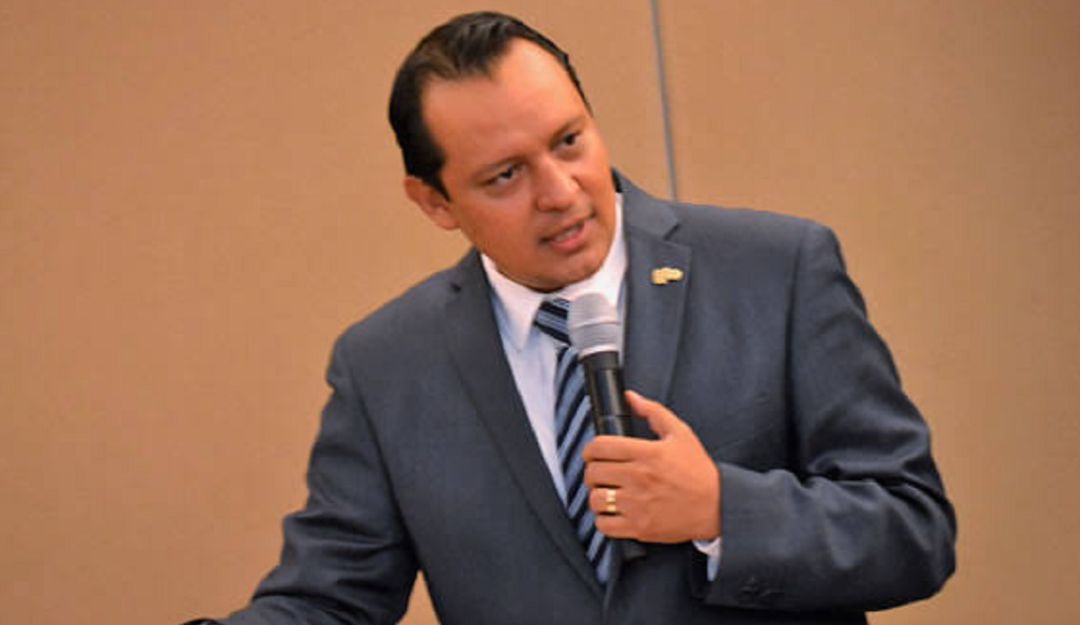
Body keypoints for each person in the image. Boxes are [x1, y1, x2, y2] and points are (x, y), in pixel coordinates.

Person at [187, 11, 955, 625]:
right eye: (505, 175)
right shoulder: (386, 363)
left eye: (568, 141)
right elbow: (330, 598)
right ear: (434, 202)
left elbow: (913, 529)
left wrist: (722, 509)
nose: (559, 192)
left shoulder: (777, 270)